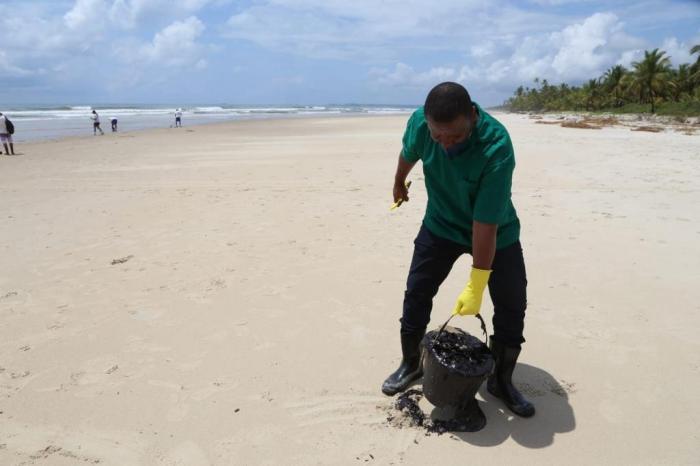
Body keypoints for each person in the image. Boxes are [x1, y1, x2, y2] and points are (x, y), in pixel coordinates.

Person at [381, 82, 535, 418]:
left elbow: (485, 225)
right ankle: (411, 365)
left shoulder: (496, 146)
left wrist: (477, 283)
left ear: (473, 117)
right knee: (417, 291)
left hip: (496, 230)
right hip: (441, 223)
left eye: (456, 137)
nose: (446, 145)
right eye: (439, 138)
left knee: (512, 303)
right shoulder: (421, 124)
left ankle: (501, 381)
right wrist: (398, 181)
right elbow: (409, 153)